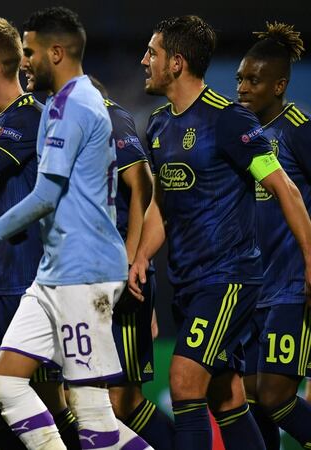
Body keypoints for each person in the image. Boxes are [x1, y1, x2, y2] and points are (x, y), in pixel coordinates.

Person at [0, 8, 147, 450]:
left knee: (90, 414)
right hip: (56, 272)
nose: (23, 61)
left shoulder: (73, 108)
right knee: (5, 385)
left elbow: (46, 197)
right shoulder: (61, 106)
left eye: (28, 52)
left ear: (56, 52)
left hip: (84, 273)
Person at [129, 14, 311, 450]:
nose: (143, 61)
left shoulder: (229, 121)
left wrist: (310, 260)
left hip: (229, 278)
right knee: (225, 394)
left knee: (185, 381)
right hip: (191, 281)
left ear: (176, 63)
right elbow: (160, 205)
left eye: (152, 53)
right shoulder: (158, 124)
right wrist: (140, 257)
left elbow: (285, 189)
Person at [89, 76, 176, 449]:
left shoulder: (109, 115)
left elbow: (144, 184)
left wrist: (131, 264)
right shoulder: (52, 127)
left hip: (118, 280)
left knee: (120, 401)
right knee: (85, 400)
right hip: (81, 282)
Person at [237, 22, 311, 450]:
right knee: (248, 397)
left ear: (280, 84)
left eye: (255, 80)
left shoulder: (297, 129)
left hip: (289, 285)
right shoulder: (242, 135)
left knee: (276, 396)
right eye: (241, 79)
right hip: (251, 288)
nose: (243, 88)